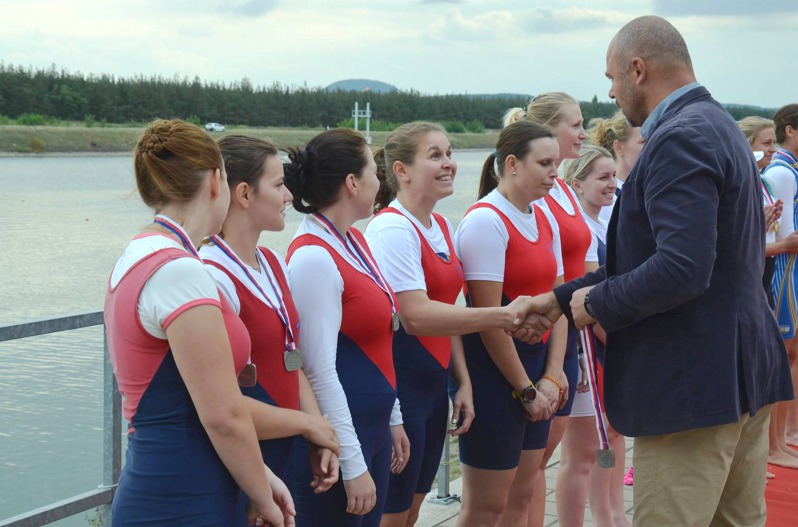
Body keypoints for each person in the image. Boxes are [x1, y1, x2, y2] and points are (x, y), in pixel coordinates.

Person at [524, 16, 793, 526]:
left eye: (611, 78)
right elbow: (670, 258)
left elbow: (681, 268)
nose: (611, 92)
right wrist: (560, 299)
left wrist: (593, 305)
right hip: (742, 371)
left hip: (694, 386)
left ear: (637, 69)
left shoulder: (679, 137)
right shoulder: (717, 123)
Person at [104, 119, 292, 526]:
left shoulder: (140, 254)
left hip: (168, 480)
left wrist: (261, 474)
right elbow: (222, 415)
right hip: (183, 494)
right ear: (214, 182)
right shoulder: (178, 272)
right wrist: (264, 499)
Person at [364, 122, 534, 527]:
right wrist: (501, 314)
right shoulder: (392, 228)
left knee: (413, 511)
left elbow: (448, 310)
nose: (450, 164)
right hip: (400, 388)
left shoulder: (440, 226)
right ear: (402, 170)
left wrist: (461, 380)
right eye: (435, 155)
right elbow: (417, 316)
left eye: (450, 153)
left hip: (431, 387)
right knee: (391, 514)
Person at [198, 135, 341, 519]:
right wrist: (310, 426)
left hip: (285, 447)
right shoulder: (213, 276)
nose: (290, 196)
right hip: (243, 459)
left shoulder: (273, 264)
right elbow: (218, 402)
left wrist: (318, 433)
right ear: (244, 194)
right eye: (279, 186)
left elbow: (290, 362)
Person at [282, 128, 409, 527]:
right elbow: (317, 369)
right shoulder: (313, 259)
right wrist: (352, 463)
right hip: (339, 443)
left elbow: (377, 339)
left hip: (369, 426)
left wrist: (393, 416)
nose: (380, 178)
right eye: (374, 169)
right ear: (352, 183)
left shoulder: (354, 241)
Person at [452, 120, 568, 527]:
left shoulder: (543, 217)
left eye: (556, 162)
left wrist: (553, 374)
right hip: (497, 375)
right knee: (486, 508)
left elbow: (561, 302)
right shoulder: (486, 221)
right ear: (513, 165)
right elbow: (489, 323)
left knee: (523, 494)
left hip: (536, 370)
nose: (556, 172)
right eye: (546, 163)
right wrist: (525, 389)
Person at [505, 92, 594, 527]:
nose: (583, 133)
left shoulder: (562, 187)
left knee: (541, 461)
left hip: (571, 329)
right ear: (547, 131)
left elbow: (585, 261)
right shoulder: (534, 194)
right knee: (530, 466)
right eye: (574, 125)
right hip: (544, 333)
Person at [555, 145, 630, 527]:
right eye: (603, 177)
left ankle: (610, 514)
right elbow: (585, 300)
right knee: (583, 452)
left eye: (614, 176)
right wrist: (616, 343)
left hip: (607, 343)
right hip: (591, 346)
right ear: (576, 183)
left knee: (611, 436)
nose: (612, 185)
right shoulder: (579, 230)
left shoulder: (606, 222)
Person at [587, 112, 645, 493]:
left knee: (615, 428)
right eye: (644, 143)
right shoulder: (600, 212)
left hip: (622, 329)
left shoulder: (627, 195)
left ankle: (610, 513)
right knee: (590, 445)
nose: (610, 185)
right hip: (602, 338)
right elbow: (592, 285)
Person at [761, 106, 798, 467]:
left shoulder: (789, 170)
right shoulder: (783, 173)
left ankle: (785, 436)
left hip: (790, 268)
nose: (768, 150)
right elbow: (787, 237)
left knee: (790, 355)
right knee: (780, 357)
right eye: (764, 144)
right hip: (783, 270)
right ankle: (773, 445)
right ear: (793, 131)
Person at [589, 111, 645, 225]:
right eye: (643, 142)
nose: (651, 146)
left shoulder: (645, 188)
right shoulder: (605, 196)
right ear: (619, 147)